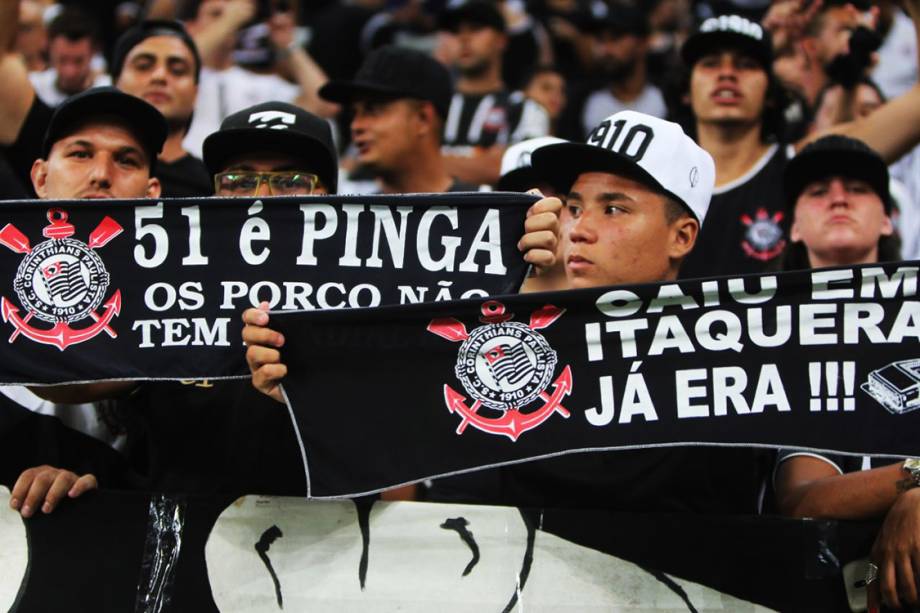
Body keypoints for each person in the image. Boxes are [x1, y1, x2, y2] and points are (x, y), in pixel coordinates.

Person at [5, 86, 167, 518]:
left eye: (125, 160)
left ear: (152, 192)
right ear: (40, 177)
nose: (100, 174)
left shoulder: (182, 307)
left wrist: (92, 482)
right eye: (80, 153)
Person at [771, 135, 912, 611]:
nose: (837, 197)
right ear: (791, 228)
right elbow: (803, 502)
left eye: (857, 187)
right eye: (817, 191)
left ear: (888, 218)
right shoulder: (768, 342)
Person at [676, 8, 920, 279]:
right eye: (710, 63)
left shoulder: (806, 161)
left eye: (746, 65)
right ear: (685, 90)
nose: (727, 74)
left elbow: (915, 110)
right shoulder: (657, 179)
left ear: (771, 92)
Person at [0, 7, 211, 198]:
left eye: (178, 70)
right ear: (42, 178)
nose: (160, 76)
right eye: (143, 65)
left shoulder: (215, 181)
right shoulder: (55, 134)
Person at [319, 45, 473, 195]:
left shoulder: (490, 213)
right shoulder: (353, 218)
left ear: (423, 118)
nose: (355, 126)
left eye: (372, 110)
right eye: (355, 113)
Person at [438, 0, 550, 186]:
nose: (464, 38)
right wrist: (483, 160)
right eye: (455, 31)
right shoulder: (430, 104)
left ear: (501, 40)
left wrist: (430, 160)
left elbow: (512, 169)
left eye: (475, 28)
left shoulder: (525, 108)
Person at [579, 7, 667, 138]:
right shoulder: (581, 100)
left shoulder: (667, 97)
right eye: (601, 40)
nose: (606, 49)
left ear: (642, 43)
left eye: (615, 38)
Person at [28, 6, 111, 106]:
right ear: (49, 49)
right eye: (62, 60)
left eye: (78, 61)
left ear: (94, 53)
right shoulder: (32, 88)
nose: (70, 72)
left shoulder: (108, 93)